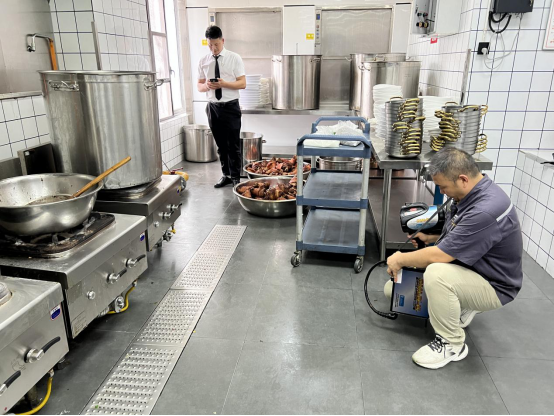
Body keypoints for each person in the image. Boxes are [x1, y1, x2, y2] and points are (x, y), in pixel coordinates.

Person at [385, 148, 523, 370]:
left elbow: (440, 255)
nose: (441, 191)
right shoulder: (472, 194)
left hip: (495, 285)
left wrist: (400, 259)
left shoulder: (485, 210)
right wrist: (430, 237)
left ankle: (451, 344)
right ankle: (460, 304)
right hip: (472, 269)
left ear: (463, 179)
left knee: (437, 274)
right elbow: (464, 236)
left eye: (443, 187)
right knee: (393, 290)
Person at [197, 26, 246, 188]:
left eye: (216, 44)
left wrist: (224, 84)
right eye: (210, 45)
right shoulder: (203, 61)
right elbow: (199, 86)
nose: (213, 48)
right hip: (213, 108)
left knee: (233, 145)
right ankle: (226, 175)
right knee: (221, 146)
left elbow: (242, 83)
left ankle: (236, 177)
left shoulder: (234, 58)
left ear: (223, 41)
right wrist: (207, 86)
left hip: (231, 107)